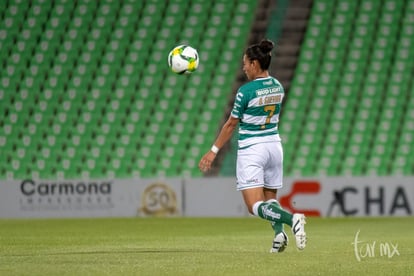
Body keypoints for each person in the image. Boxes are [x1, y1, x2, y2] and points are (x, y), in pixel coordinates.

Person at [198, 39, 306, 253]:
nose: (244, 68)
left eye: (245, 63)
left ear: (255, 64)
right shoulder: (278, 86)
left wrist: (213, 151)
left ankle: (293, 219)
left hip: (253, 149)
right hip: (274, 146)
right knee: (270, 199)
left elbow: (230, 124)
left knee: (254, 206)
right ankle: (278, 236)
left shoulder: (245, 91)